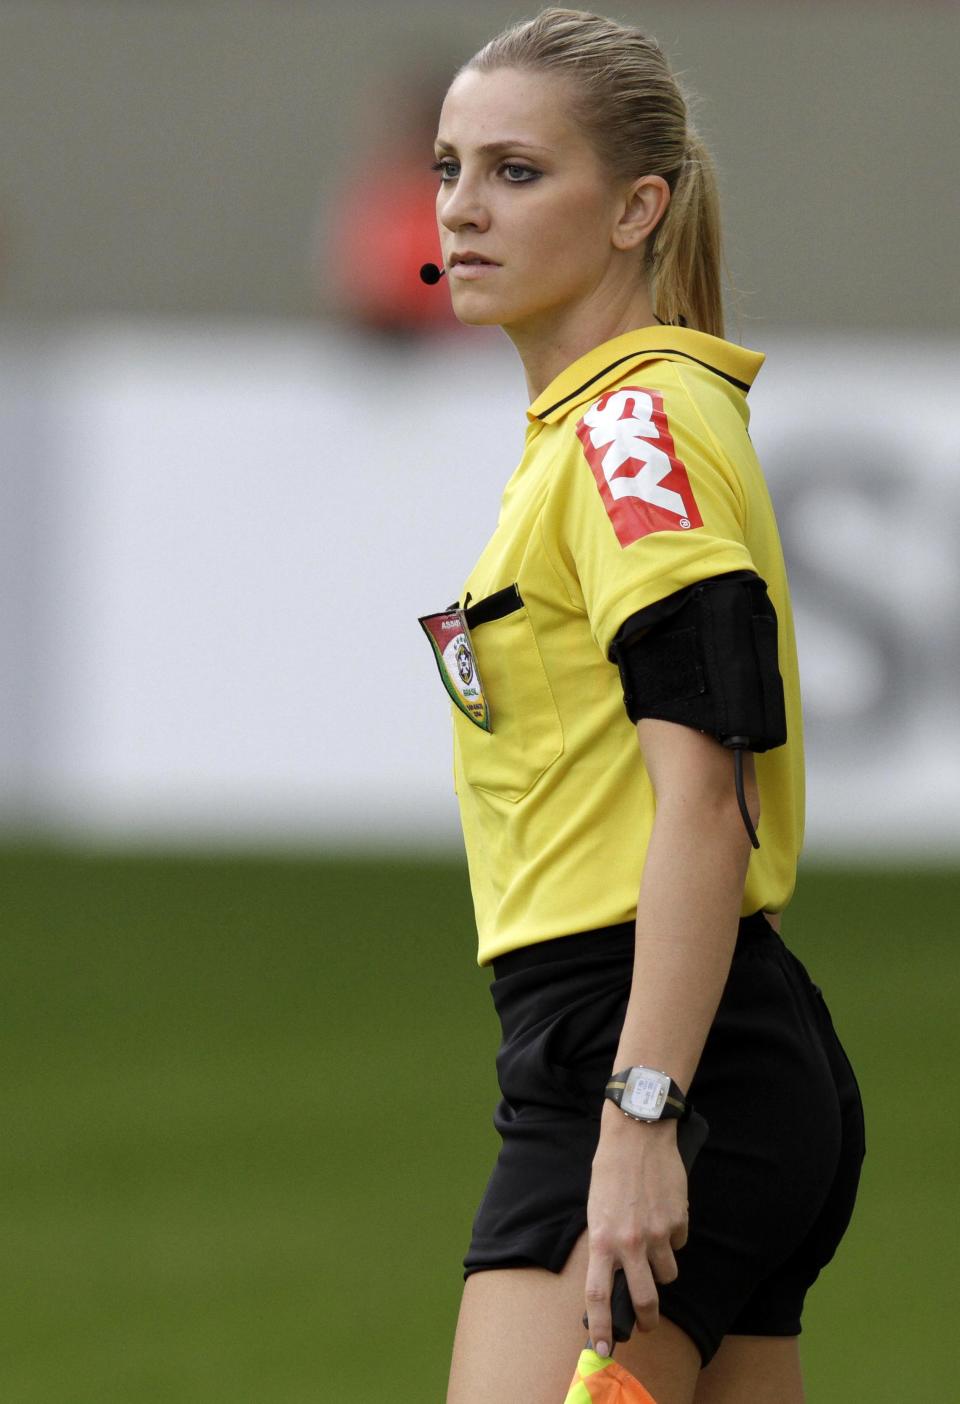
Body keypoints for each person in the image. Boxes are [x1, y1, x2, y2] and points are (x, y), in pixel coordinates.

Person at [417, 10, 865, 1403]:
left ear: (636, 208)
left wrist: (640, 1113)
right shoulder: (605, 429)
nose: (462, 210)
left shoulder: (633, 431)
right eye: (447, 169)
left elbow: (708, 797)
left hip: (653, 1058)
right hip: (704, 1056)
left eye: (516, 171)